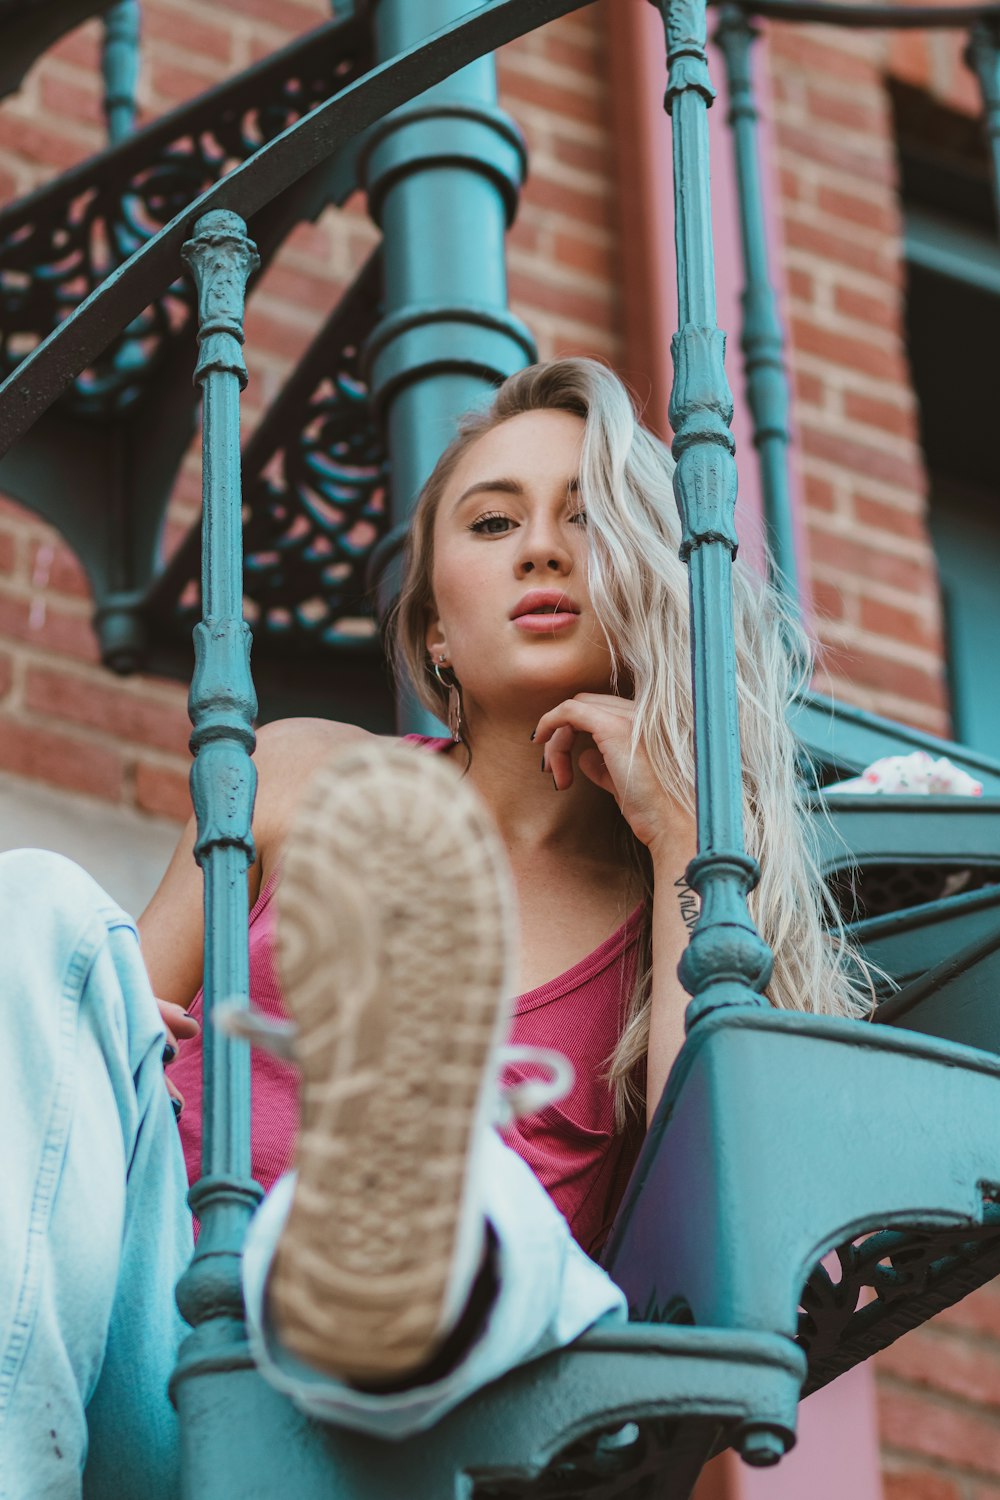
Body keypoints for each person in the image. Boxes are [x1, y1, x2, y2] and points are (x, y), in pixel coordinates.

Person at [0, 358, 870, 1498]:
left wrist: (680, 841)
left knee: (477, 1186)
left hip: (412, 1427)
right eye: (494, 519)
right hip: (164, 1338)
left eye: (587, 516)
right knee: (43, 905)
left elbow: (719, 1221)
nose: (542, 548)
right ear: (436, 634)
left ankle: (390, 1175)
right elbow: (98, 1039)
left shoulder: (689, 895)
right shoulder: (298, 775)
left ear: (653, 581)